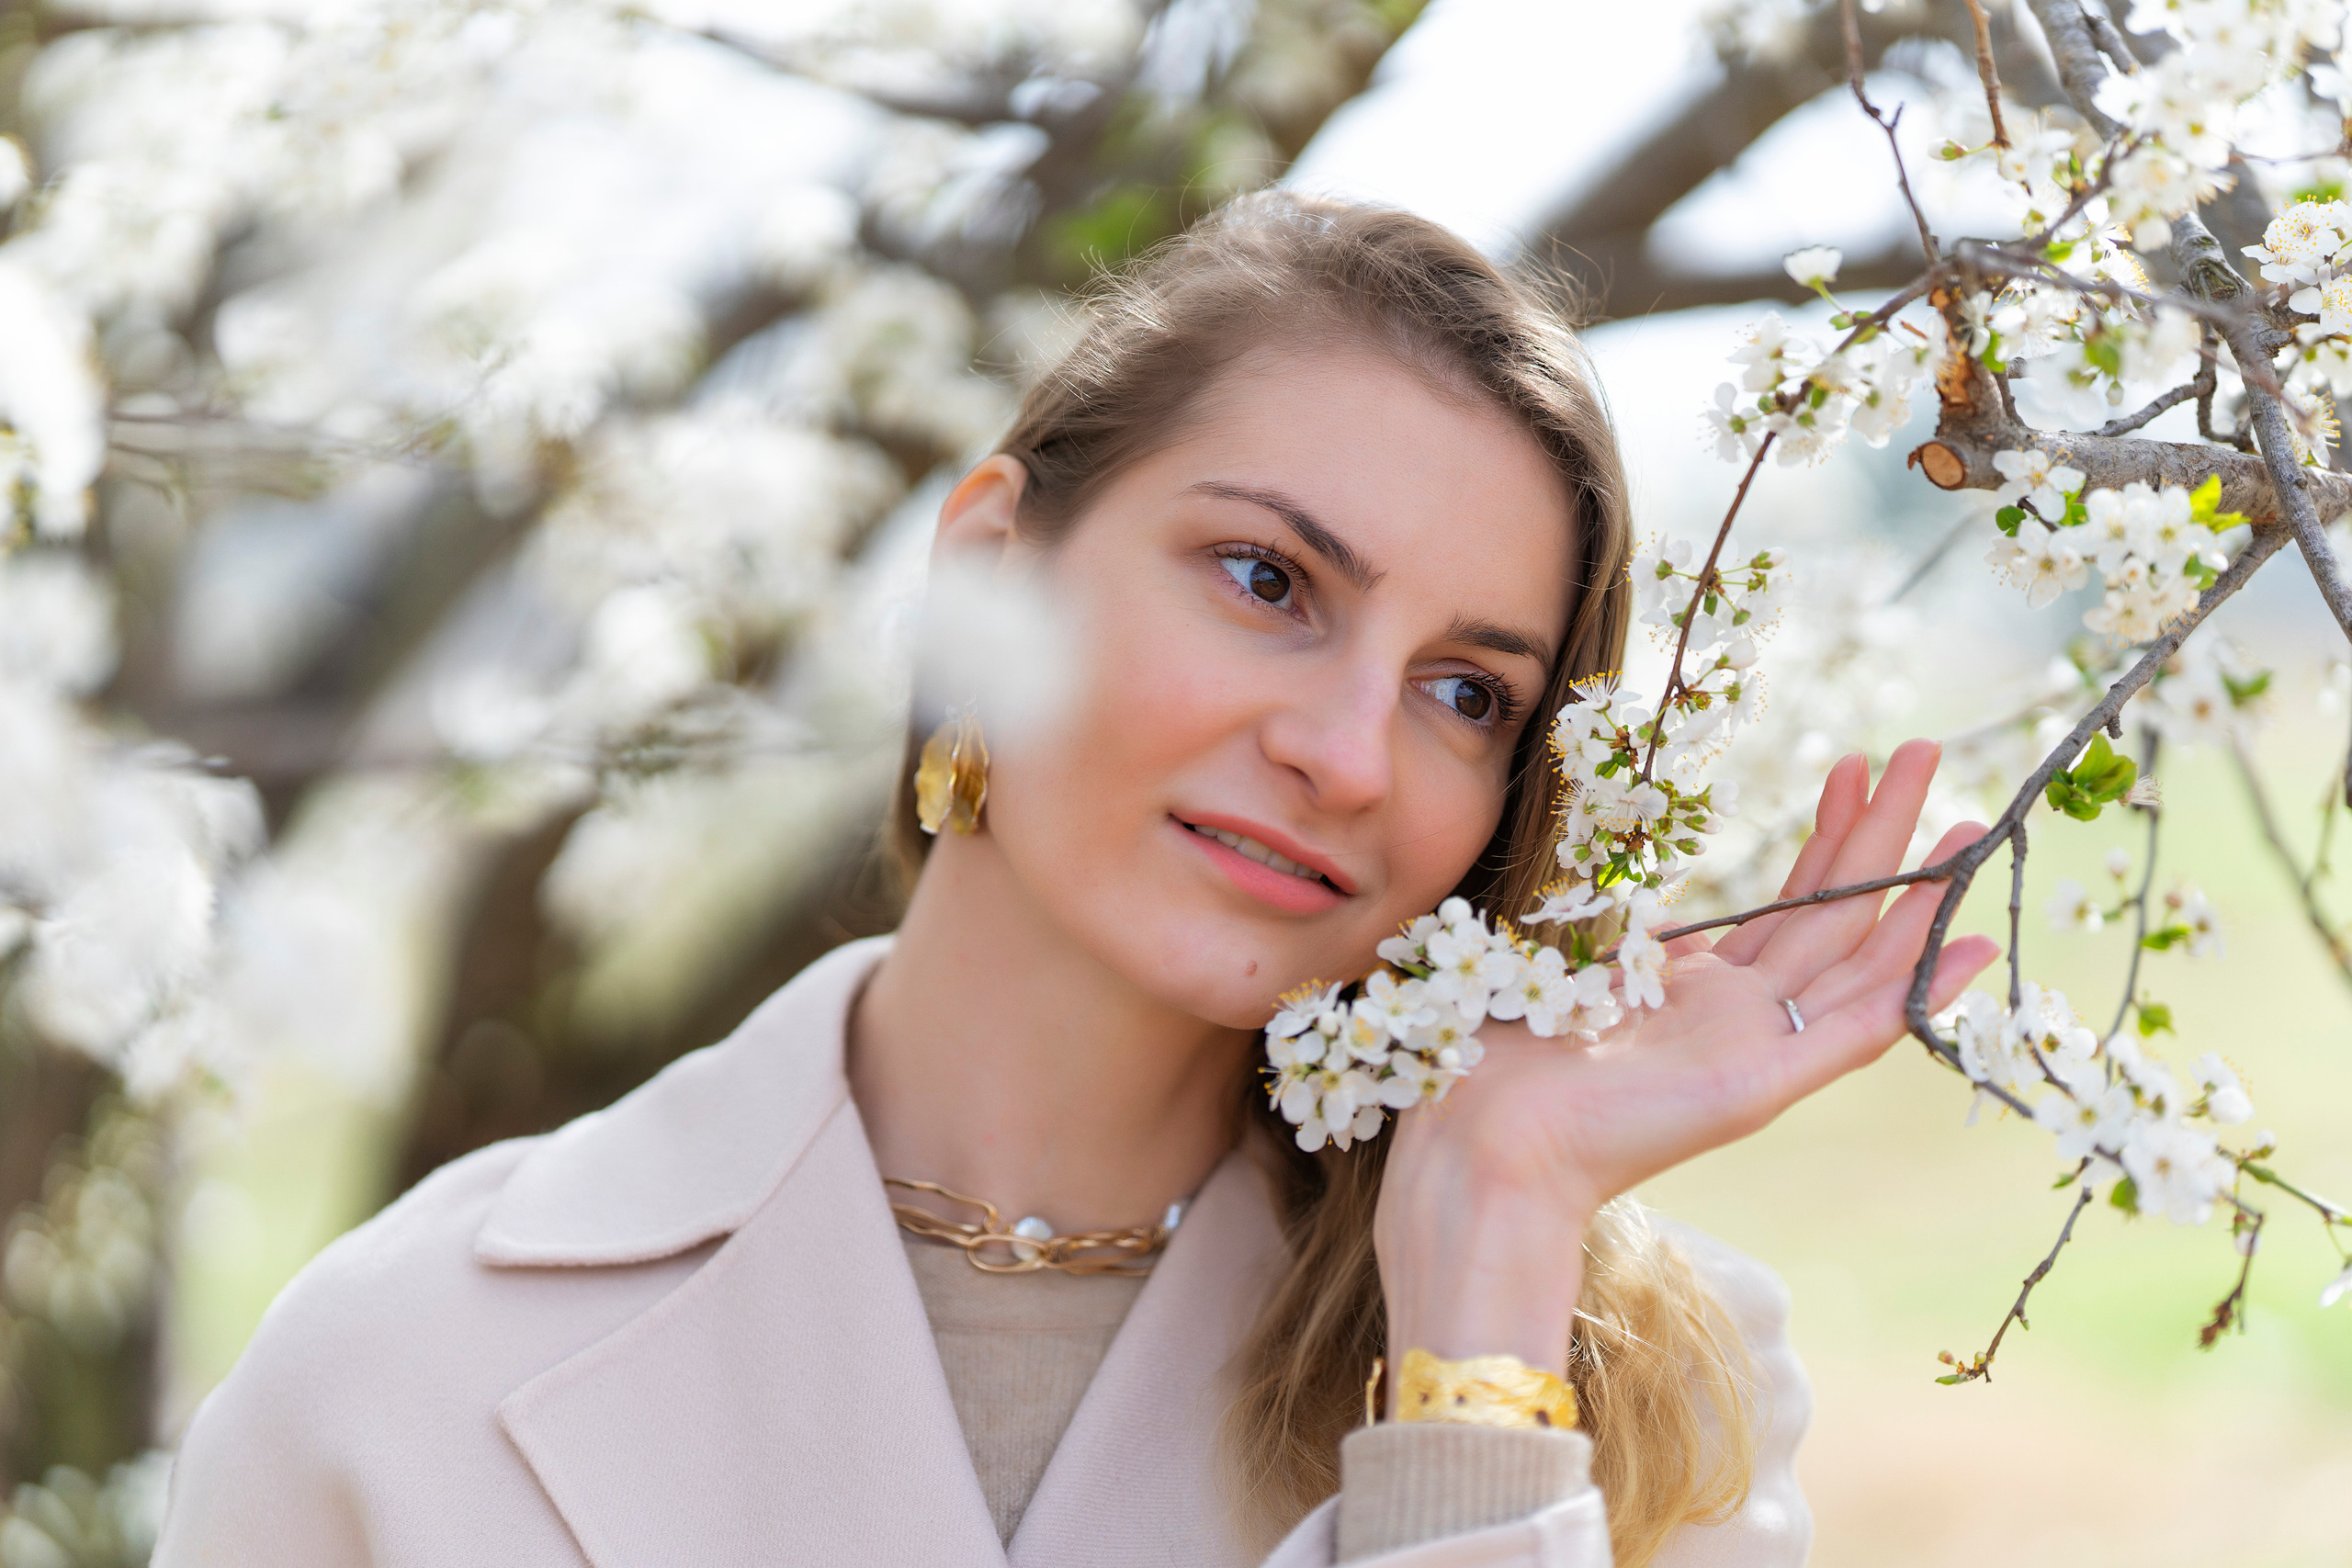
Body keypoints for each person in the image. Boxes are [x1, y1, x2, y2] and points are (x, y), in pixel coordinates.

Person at [153, 192, 1996, 1568]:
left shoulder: (1642, 1387)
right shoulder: (398, 1366)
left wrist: (1481, 1310)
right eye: (1268, 579)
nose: (1347, 753)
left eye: (1464, 690)